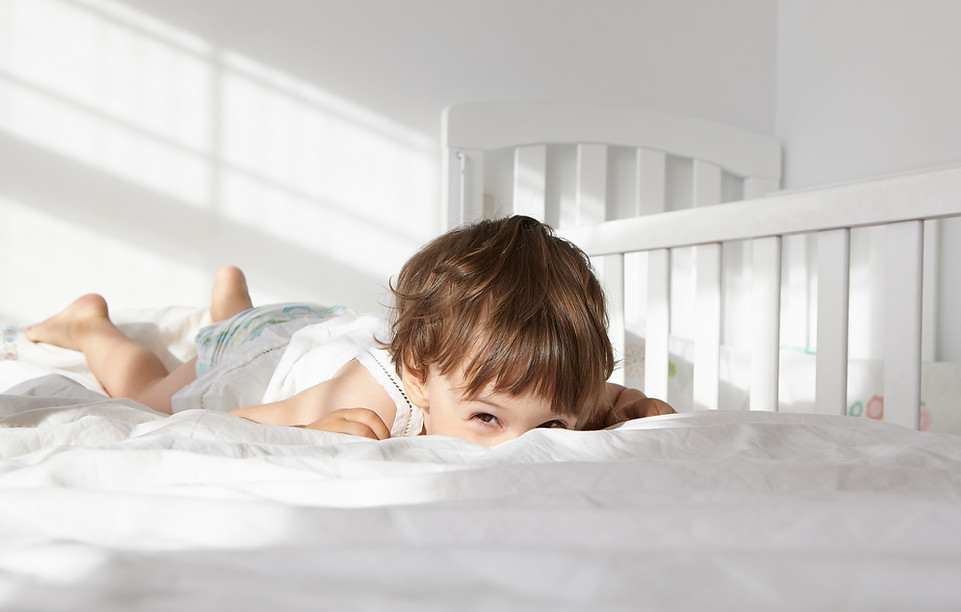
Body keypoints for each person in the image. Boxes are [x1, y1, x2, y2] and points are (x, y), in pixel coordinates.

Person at [26, 216, 674, 446]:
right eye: (485, 419)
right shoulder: (367, 400)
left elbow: (584, 399)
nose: (519, 448)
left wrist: (622, 405)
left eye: (551, 427)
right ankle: (92, 325)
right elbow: (243, 421)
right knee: (144, 398)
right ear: (419, 378)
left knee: (236, 321)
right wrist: (304, 431)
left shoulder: (533, 396)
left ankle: (231, 299)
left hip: (324, 328)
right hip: (270, 354)